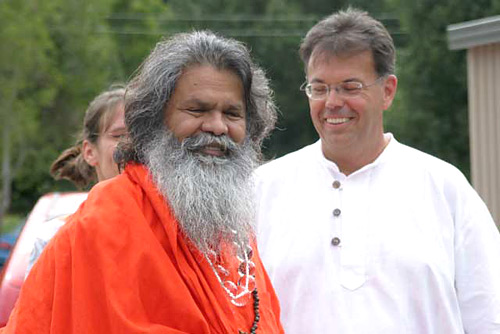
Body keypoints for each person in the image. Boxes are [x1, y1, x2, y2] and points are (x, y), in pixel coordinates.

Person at [1, 31, 283, 333]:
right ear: (156, 119)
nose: (217, 126)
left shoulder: (234, 232)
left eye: (232, 113)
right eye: (197, 110)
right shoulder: (102, 224)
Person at [255, 7, 500, 334]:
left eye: (350, 86)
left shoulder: (445, 188)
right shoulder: (263, 189)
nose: (332, 102)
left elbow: (489, 316)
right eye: (319, 87)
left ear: (387, 91)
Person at [25, 87, 126, 275]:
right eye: (120, 135)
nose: (133, 146)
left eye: (143, 136)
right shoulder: (55, 237)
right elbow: (36, 304)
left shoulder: (176, 234)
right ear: (89, 152)